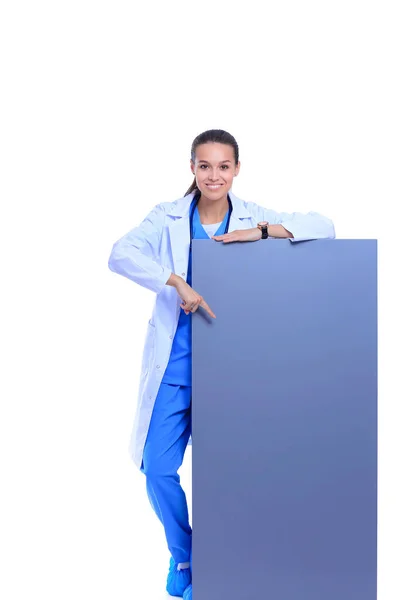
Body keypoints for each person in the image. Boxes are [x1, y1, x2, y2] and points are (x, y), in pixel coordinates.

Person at [108, 129, 335, 599]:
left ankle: (222, 569)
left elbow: (325, 226)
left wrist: (266, 232)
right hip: (175, 367)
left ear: (236, 170)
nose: (214, 175)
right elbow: (120, 254)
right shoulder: (166, 217)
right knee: (156, 467)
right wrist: (174, 280)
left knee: (231, 475)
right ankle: (185, 553)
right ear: (191, 168)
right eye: (205, 166)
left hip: (232, 370)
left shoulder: (252, 215)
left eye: (223, 166)